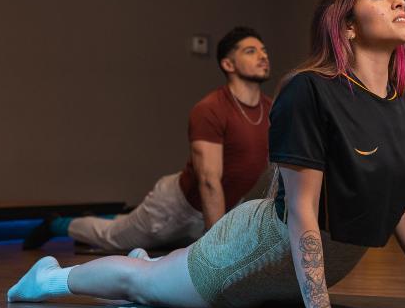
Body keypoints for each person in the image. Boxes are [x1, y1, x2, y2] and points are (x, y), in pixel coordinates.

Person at [9, 0, 405, 308]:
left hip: (302, 275)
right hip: (243, 260)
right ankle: (52, 275)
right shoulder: (310, 90)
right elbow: (301, 209)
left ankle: (161, 264)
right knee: (139, 283)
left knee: (159, 272)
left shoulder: (401, 105)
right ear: (348, 26)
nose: (399, 0)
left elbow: (402, 202)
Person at [23, 27, 274, 252]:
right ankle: (56, 223)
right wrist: (217, 243)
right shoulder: (211, 109)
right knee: (112, 238)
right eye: (251, 51)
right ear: (228, 65)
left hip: (218, 209)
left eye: (263, 50)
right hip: (176, 208)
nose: (262, 56)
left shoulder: (272, 109)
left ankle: (113, 217)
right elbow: (208, 180)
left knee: (150, 239)